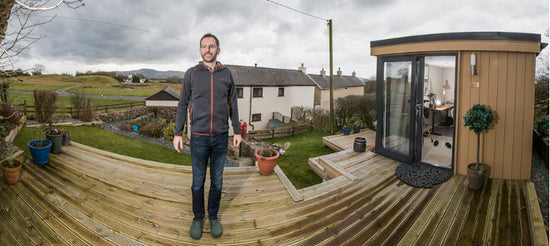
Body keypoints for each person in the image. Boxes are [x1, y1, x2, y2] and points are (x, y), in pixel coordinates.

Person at [173, 33, 242, 240]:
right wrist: (178, 132)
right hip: (199, 137)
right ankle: (197, 217)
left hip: (221, 137)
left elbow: (234, 104)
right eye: (204, 46)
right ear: (200, 50)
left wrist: (237, 129)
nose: (208, 50)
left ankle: (213, 216)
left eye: (212, 46)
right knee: (198, 182)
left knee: (217, 182)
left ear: (218, 50)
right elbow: (182, 103)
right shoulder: (191, 74)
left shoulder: (227, 74)